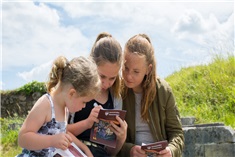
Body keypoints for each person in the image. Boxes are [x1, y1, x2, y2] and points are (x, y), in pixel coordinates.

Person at [17, 56, 101, 157]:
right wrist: (52, 140)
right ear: (72, 94)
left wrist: (85, 150)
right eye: (84, 102)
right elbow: (22, 138)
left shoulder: (65, 109)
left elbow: (64, 133)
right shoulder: (46, 104)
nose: (84, 106)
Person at [118, 34, 184, 157]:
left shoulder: (163, 90)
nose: (128, 76)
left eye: (136, 71)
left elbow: (176, 133)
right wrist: (130, 150)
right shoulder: (118, 91)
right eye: (126, 68)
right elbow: (108, 138)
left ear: (148, 69)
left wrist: (171, 151)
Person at [67, 32, 127, 157]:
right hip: (72, 149)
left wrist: (120, 138)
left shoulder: (116, 98)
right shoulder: (77, 89)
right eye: (102, 76)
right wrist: (87, 123)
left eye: (112, 78)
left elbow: (111, 153)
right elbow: (60, 129)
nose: (106, 83)